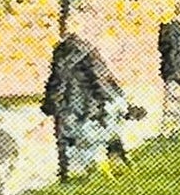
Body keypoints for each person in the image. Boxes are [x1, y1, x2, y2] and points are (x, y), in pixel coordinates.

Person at [42, 33, 132, 181]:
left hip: (75, 113)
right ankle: (112, 155)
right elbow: (104, 84)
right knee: (104, 132)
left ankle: (71, 171)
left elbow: (55, 89)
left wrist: (49, 106)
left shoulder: (61, 63)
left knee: (69, 136)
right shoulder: (93, 59)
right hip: (96, 110)